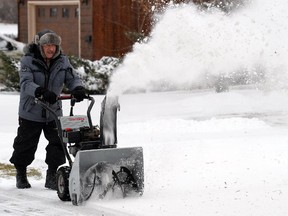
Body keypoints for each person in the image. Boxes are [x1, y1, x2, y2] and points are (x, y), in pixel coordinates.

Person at [10, 29, 86, 190]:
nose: (51, 49)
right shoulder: (28, 61)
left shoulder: (62, 61)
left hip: (54, 111)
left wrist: (78, 88)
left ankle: (52, 175)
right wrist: (40, 91)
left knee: (58, 143)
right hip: (31, 111)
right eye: (47, 45)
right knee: (25, 144)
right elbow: (25, 83)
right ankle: (21, 174)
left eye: (54, 45)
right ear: (40, 46)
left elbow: (72, 78)